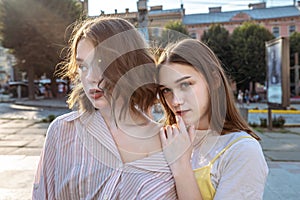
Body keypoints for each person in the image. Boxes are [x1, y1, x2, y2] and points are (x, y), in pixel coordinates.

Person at [32, 17, 177, 199]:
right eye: (83, 66)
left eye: (101, 63)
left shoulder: (171, 141)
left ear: (129, 63)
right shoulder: (63, 132)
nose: (90, 77)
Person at [156, 39, 268, 199]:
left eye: (185, 85)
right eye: (166, 90)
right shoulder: (166, 139)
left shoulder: (242, 150)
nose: (175, 101)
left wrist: (181, 165)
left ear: (214, 80)